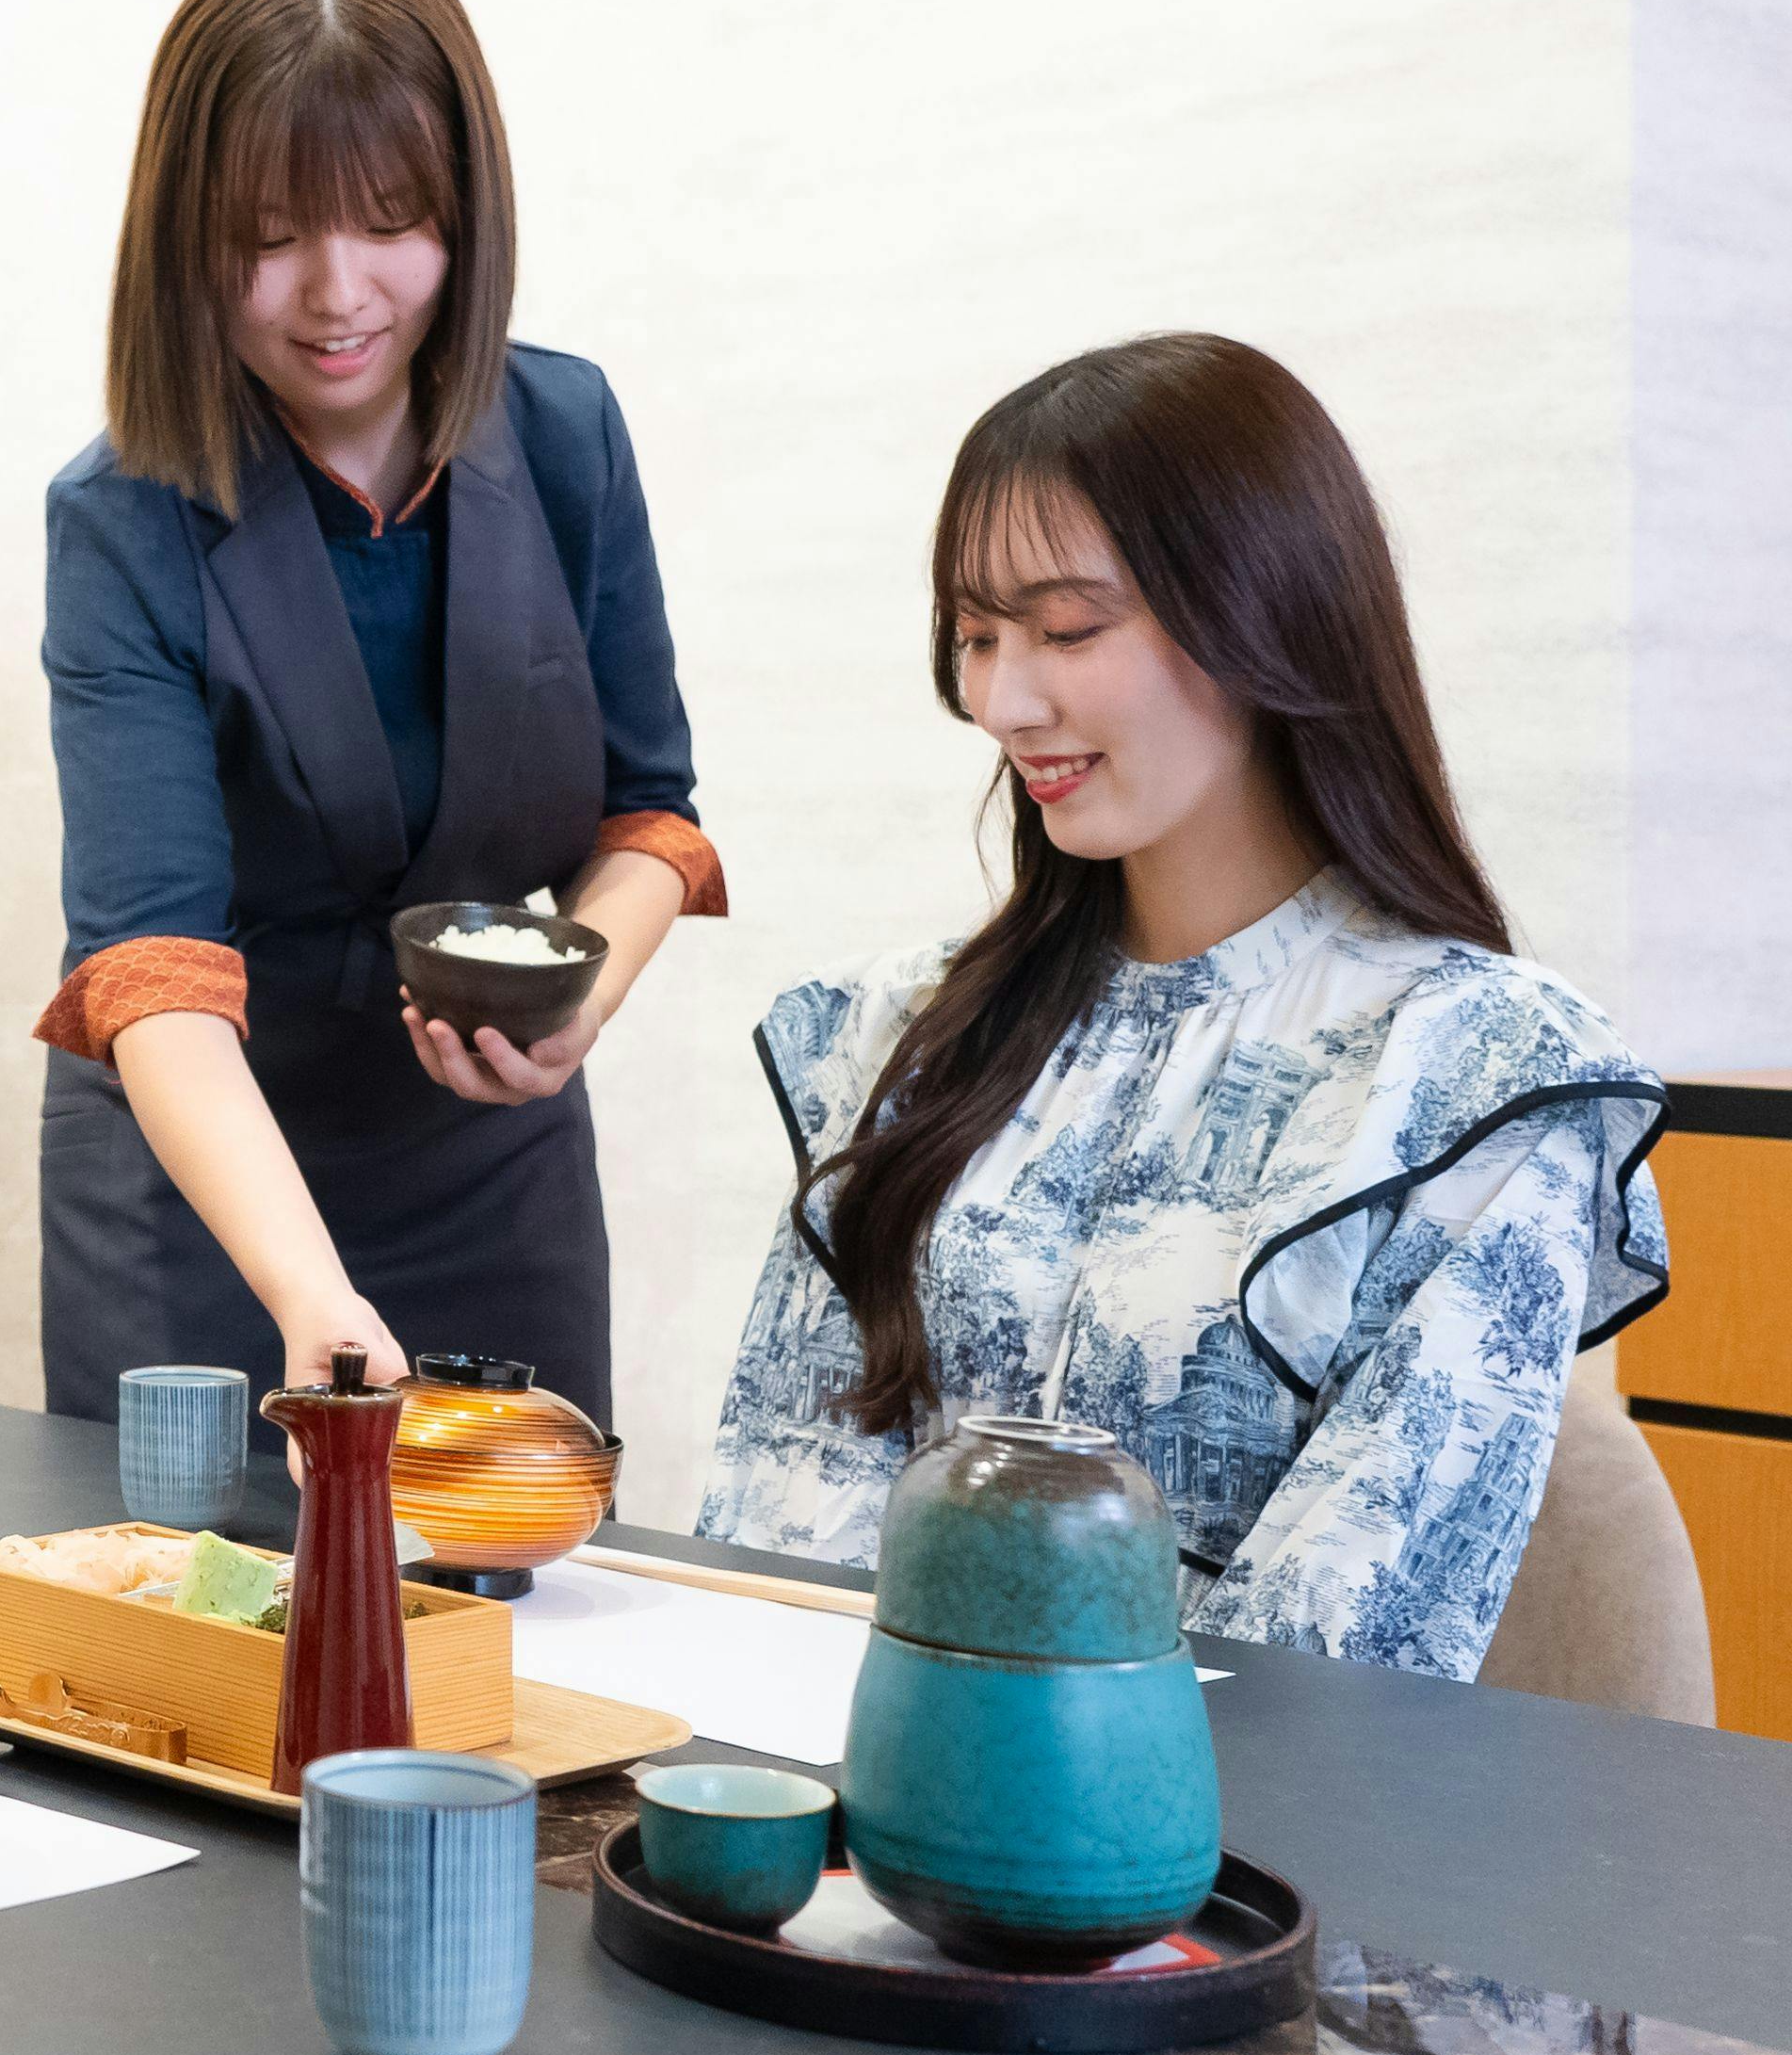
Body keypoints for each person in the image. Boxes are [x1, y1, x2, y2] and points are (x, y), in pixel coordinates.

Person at [699, 333, 1667, 1676]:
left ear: (1266, 609)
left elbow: (1354, 1650)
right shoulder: (898, 1029)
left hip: (1225, 1860)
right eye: (976, 637)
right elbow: (777, 1525)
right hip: (841, 1827)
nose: (1004, 699)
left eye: (1067, 629)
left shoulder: (1480, 1080)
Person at [35, 0, 724, 1431]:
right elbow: (148, 975)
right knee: (196, 1636)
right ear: (181, 235)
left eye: (392, 220)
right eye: (268, 235)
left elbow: (650, 817)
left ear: (465, 217)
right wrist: (309, 1294)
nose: (338, 292)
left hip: (495, 1164)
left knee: (518, 1620)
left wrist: (579, 1000)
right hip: (211, 1184)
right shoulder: (123, 518)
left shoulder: (563, 435)